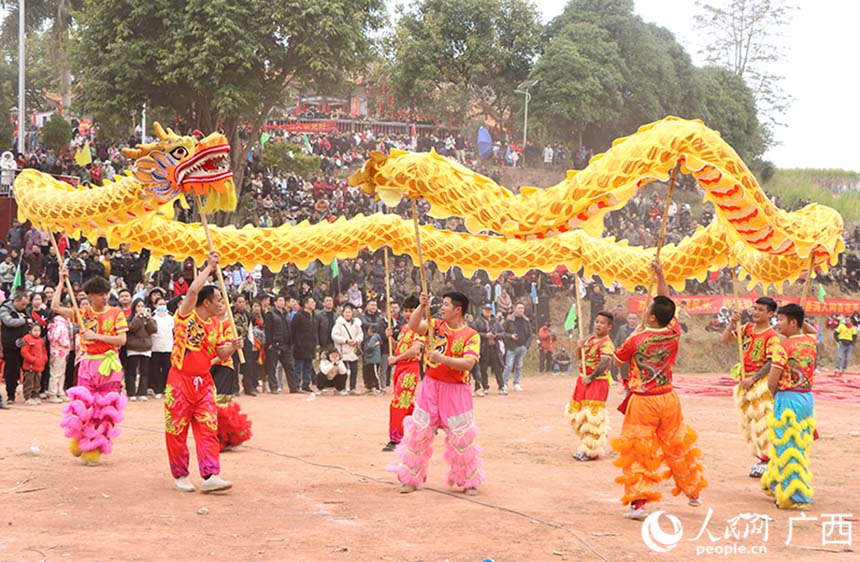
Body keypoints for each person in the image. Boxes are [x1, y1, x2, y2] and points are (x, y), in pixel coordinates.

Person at [612, 261, 705, 520]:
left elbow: (618, 361)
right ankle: (693, 491)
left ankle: (639, 503)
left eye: (648, 309)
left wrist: (633, 337)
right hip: (668, 398)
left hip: (643, 402)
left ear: (652, 316)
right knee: (677, 444)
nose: (644, 310)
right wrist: (661, 274)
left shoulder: (635, 338)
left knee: (639, 449)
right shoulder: (673, 330)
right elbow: (665, 301)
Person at [389, 292, 484, 496]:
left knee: (461, 436)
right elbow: (415, 326)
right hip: (430, 387)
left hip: (456, 391)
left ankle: (469, 481)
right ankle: (410, 477)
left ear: (458, 310)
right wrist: (421, 307)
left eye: (446, 305)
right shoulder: (435, 326)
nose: (442, 308)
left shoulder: (471, 335)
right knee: (419, 432)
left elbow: (468, 362)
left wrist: (442, 358)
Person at [164, 252, 242, 493]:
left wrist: (233, 346)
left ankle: (210, 475)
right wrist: (209, 268)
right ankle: (181, 475)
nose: (222, 303)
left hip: (205, 383)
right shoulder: (185, 316)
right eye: (218, 299)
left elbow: (221, 353)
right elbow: (192, 292)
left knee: (208, 428)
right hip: (179, 382)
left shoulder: (217, 326)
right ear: (206, 302)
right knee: (176, 430)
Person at [52, 271, 128, 466]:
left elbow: (121, 339)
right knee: (83, 405)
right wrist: (61, 282)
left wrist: (97, 337)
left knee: (103, 410)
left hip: (109, 365)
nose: (105, 297)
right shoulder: (82, 314)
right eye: (100, 294)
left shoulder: (116, 313)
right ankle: (80, 440)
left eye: (106, 293)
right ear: (90, 296)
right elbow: (54, 306)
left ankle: (94, 448)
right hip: (88, 363)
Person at [761, 303, 816, 510]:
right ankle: (777, 484)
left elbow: (771, 381)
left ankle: (794, 494)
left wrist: (776, 396)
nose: (777, 323)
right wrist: (800, 321)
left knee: (787, 447)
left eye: (782, 319)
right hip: (806, 398)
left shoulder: (783, 348)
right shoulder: (810, 342)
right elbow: (811, 331)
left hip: (788, 398)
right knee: (798, 445)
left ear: (793, 322)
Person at [720, 296, 779, 478]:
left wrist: (754, 378)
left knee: (764, 423)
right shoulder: (747, 328)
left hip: (760, 384)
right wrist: (732, 322)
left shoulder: (772, 336)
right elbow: (725, 339)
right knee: (750, 423)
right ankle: (761, 458)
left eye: (761, 310)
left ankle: (769, 460)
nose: (756, 312)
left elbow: (771, 362)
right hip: (745, 383)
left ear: (770, 314)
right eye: (755, 308)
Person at [566, 311, 614, 462]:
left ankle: (591, 451)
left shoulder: (607, 344)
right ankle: (585, 444)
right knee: (578, 413)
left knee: (593, 416)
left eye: (602, 323)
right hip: (583, 381)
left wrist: (591, 377)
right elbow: (580, 357)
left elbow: (604, 363)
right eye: (597, 322)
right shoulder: (591, 340)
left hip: (597, 382)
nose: (598, 325)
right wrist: (579, 346)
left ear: (609, 326)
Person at [383, 295, 424, 452]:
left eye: (411, 311)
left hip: (410, 368)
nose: (408, 314)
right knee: (405, 402)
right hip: (400, 367)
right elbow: (398, 348)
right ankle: (420, 428)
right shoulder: (404, 328)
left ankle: (397, 438)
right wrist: (390, 338)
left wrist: (396, 358)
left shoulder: (421, 329)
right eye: (406, 311)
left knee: (399, 402)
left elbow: (414, 350)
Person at [1, 292, 30, 406]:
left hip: (24, 344)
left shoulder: (25, 310)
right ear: (15, 301)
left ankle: (28, 393)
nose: (24, 307)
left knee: (27, 369)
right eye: (22, 304)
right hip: (10, 345)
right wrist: (24, 321)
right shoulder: (5, 309)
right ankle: (10, 394)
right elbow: (9, 322)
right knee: (11, 370)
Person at [125, 298, 157, 401]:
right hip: (132, 348)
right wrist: (137, 317)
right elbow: (131, 328)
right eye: (138, 306)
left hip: (146, 348)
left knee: (144, 372)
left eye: (142, 306)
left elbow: (153, 330)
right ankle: (131, 392)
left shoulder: (148, 318)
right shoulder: (130, 319)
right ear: (134, 307)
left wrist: (149, 319)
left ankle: (142, 392)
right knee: (132, 372)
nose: (140, 308)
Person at [264, 294, 297, 393]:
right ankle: (273, 387)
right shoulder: (271, 314)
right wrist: (269, 343)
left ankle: (293, 387)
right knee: (272, 368)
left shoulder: (285, 313)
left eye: (283, 300)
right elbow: (268, 329)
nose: (282, 302)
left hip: (286, 345)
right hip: (275, 344)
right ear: (275, 303)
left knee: (290, 366)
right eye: (280, 300)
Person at [331, 303, 363, 394]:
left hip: (353, 351)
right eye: (346, 312)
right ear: (343, 313)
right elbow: (334, 336)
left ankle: (353, 388)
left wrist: (356, 341)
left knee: (354, 370)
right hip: (343, 351)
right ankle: (342, 388)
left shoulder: (356, 324)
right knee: (342, 371)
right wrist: (345, 340)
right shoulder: (338, 324)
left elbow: (360, 334)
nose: (348, 314)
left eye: (349, 312)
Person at [473, 303, 503, 396]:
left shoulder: (495, 321)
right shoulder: (477, 321)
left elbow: (503, 333)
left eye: (489, 310)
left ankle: (501, 386)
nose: (488, 311)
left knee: (497, 368)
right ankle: (485, 386)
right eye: (486, 310)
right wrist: (485, 335)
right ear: (482, 310)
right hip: (483, 347)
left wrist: (496, 335)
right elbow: (474, 333)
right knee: (483, 369)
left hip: (494, 347)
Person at [501, 302, 531, 393]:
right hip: (511, 347)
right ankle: (504, 384)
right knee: (509, 366)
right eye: (519, 308)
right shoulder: (509, 320)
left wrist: (526, 346)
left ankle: (516, 383)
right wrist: (511, 336)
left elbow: (530, 334)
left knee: (519, 366)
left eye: (522, 308)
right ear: (515, 309)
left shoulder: (526, 320)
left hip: (522, 347)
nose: (521, 310)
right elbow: (502, 332)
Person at [291, 296, 319, 392]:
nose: (314, 304)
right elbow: (293, 330)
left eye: (314, 302)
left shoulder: (314, 315)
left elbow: (316, 331)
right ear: (306, 304)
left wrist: (316, 343)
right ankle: (296, 386)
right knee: (298, 367)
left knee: (308, 367)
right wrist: (296, 342)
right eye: (311, 302)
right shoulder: (298, 316)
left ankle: (306, 385)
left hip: (311, 345)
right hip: (300, 346)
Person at [149, 296, 174, 399]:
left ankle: (166, 388)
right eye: (160, 304)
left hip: (168, 346)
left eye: (164, 304)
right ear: (155, 305)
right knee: (155, 369)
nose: (162, 306)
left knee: (167, 369)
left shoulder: (171, 317)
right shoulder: (152, 317)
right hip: (155, 346)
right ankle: (157, 389)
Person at [47, 309, 72, 403]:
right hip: (59, 351)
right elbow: (57, 337)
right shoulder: (60, 323)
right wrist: (66, 343)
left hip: (60, 351)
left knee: (61, 373)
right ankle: (53, 393)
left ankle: (60, 392)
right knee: (56, 373)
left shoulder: (57, 322)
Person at [21, 323, 48, 405]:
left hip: (39, 366)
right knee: (29, 381)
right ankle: (27, 397)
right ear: (30, 331)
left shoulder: (41, 340)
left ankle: (35, 396)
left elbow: (44, 351)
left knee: (37, 382)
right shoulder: (27, 339)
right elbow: (24, 351)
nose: (37, 332)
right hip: (30, 366)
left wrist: (44, 359)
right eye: (35, 330)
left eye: (38, 330)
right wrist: (32, 359)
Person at [362, 324, 382, 394]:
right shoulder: (371, 337)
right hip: (371, 359)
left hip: (374, 359)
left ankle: (378, 388)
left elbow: (370, 346)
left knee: (375, 373)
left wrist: (371, 346)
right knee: (370, 373)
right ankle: (371, 387)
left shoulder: (374, 337)